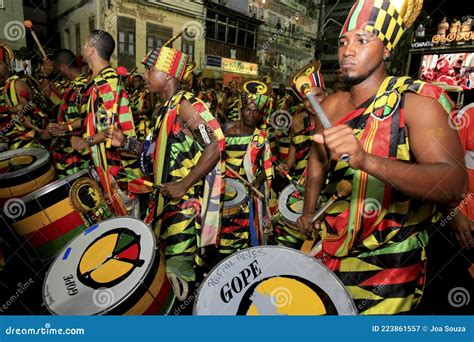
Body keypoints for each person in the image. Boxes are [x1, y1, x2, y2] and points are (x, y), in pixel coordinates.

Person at [296, 0, 467, 315]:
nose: (347, 50)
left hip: (389, 266)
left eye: (363, 40)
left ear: (387, 50)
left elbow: (453, 183)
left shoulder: (417, 103)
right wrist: (308, 211)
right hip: (330, 252)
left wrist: (366, 160)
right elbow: (317, 160)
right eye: (343, 42)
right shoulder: (331, 106)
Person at [106, 33, 225, 301]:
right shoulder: (164, 110)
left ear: (169, 75)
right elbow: (151, 153)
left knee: (179, 282)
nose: (145, 75)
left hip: (182, 209)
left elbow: (214, 146)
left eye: (151, 70)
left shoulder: (185, 106)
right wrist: (124, 142)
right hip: (163, 205)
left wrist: (184, 183)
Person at [71, 30, 139, 215]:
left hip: (116, 171)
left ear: (92, 50)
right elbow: (95, 119)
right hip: (100, 167)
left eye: (85, 45)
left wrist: (86, 141)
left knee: (126, 222)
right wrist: (67, 127)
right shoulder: (96, 82)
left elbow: (120, 131)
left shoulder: (108, 82)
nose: (82, 48)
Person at [273, 61, 327, 249]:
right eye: (307, 99)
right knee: (286, 243)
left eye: (318, 96)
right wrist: (285, 167)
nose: (313, 103)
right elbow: (291, 161)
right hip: (299, 192)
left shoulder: (337, 120)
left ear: (326, 94)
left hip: (327, 197)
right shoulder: (296, 123)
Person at [219, 79, 274, 255]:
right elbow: (213, 155)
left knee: (245, 232)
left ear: (259, 115)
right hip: (225, 189)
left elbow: (267, 167)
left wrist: (257, 182)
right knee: (224, 230)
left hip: (247, 192)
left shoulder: (260, 138)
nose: (251, 114)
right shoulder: (227, 129)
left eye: (255, 111)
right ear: (241, 111)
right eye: (248, 110)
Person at [40, 49, 90, 178]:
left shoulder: (84, 87)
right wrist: (45, 75)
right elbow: (50, 96)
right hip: (65, 150)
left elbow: (90, 118)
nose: (55, 70)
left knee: (78, 190)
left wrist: (64, 127)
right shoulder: (70, 86)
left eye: (56, 67)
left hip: (79, 154)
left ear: (62, 67)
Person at [0, 43, 46, 150]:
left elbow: (28, 105)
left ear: (7, 65)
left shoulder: (16, 83)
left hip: (22, 140)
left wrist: (6, 110)